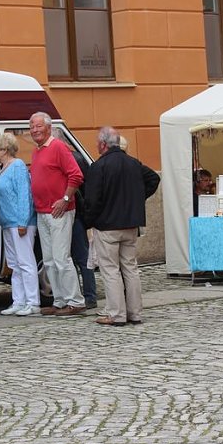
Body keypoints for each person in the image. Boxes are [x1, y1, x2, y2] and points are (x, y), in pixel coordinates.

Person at [83, 126, 159, 326]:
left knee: (110, 270)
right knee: (130, 268)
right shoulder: (133, 163)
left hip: (107, 225)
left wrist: (88, 221)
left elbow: (93, 200)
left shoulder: (99, 167)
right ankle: (135, 313)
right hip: (130, 224)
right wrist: (137, 199)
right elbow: (154, 178)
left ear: (103, 144)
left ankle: (116, 314)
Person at [28, 111, 86, 316]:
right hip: (42, 211)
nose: (34, 130)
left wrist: (66, 199)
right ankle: (60, 300)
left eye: (38, 126)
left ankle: (76, 301)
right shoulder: (36, 152)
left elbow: (76, 175)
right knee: (50, 260)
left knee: (62, 258)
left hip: (59, 210)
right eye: (32, 126)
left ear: (49, 127)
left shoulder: (58, 147)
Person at [0, 133, 40, 316]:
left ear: (5, 150)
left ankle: (32, 301)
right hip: (7, 223)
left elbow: (23, 195)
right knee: (14, 264)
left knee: (25, 262)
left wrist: (22, 221)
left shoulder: (17, 166)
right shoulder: (4, 168)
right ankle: (19, 301)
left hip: (19, 222)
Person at [51, 128, 97, 309]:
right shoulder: (74, 157)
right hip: (74, 213)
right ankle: (84, 295)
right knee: (74, 257)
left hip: (75, 214)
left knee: (80, 257)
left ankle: (89, 296)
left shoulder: (72, 158)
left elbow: (80, 185)